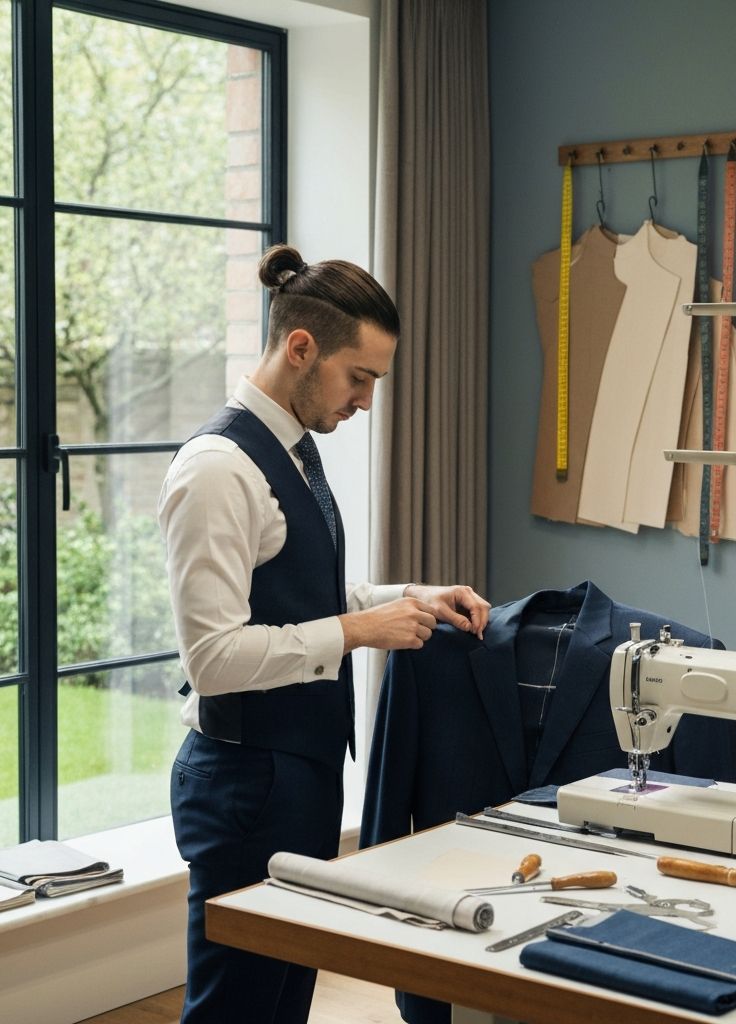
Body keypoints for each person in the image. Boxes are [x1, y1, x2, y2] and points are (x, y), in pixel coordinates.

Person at [158, 243, 490, 1024]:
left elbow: (293, 594)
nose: (367, 402)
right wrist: (359, 630)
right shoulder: (217, 470)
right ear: (300, 349)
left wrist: (401, 597)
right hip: (244, 783)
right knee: (235, 1010)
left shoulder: (293, 451)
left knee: (281, 1005)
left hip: (296, 773)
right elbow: (212, 660)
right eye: (360, 377)